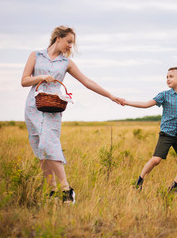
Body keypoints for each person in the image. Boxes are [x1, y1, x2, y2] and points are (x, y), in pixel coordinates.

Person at [21, 26, 124, 204]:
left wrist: (110, 96)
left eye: (72, 43)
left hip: (53, 107)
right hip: (33, 106)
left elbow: (87, 81)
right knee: (40, 149)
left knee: (49, 143)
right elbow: (24, 81)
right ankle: (52, 191)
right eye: (68, 42)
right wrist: (42, 77)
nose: (70, 46)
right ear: (58, 38)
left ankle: (66, 189)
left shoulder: (65, 63)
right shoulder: (35, 55)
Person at [124, 67, 177, 194]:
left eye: (171, 76)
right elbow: (145, 104)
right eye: (166, 77)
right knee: (156, 160)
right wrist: (126, 102)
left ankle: (174, 187)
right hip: (167, 133)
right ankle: (139, 182)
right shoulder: (164, 95)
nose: (167, 79)